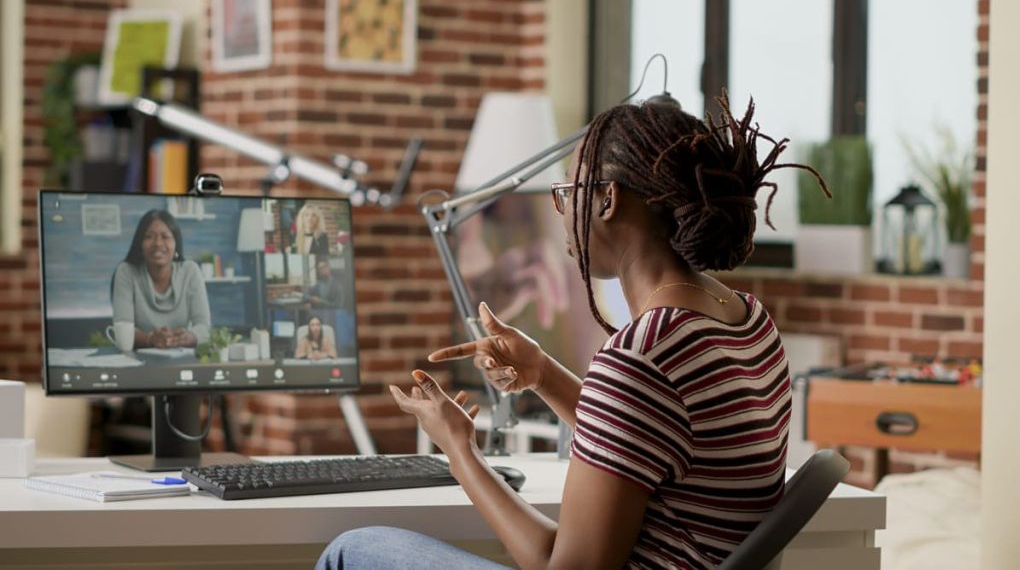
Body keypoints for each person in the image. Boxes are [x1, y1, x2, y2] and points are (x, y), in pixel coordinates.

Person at [316, 93, 830, 570]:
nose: (560, 214)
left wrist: (459, 450)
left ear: (607, 199)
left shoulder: (641, 355)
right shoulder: (746, 317)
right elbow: (646, 437)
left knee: (350, 550)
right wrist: (541, 372)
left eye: (565, 192)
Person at [112, 209, 211, 349]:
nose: (158, 243)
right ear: (140, 245)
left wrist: (189, 337)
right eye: (149, 236)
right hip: (138, 361)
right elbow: (123, 327)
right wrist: (151, 339)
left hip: (182, 359)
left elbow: (203, 326)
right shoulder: (126, 272)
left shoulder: (190, 271)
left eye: (165, 236)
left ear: (176, 244)